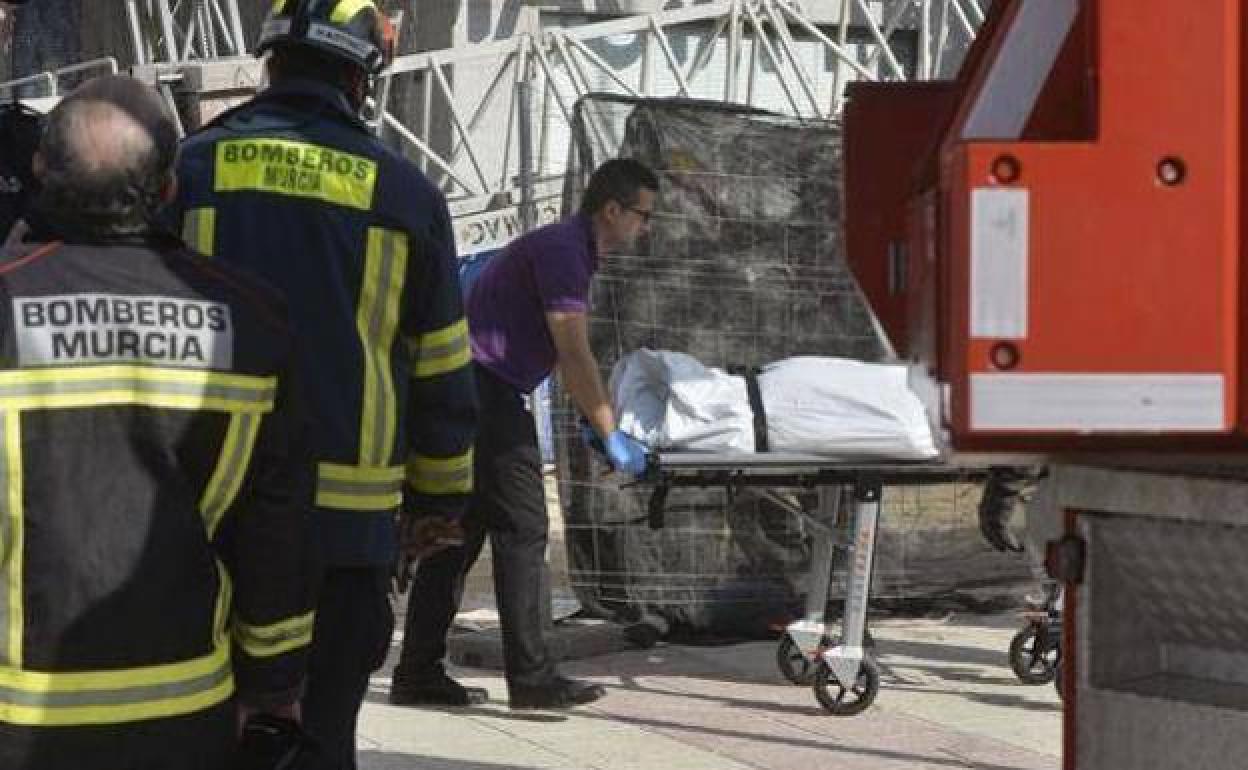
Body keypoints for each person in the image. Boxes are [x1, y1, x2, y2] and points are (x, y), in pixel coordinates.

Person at [166, 1, 478, 766]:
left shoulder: (192, 169)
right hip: (345, 538)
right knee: (320, 737)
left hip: (208, 522)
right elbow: (441, 368)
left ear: (269, 64)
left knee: (200, 738)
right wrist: (438, 504)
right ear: (360, 77)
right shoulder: (406, 195)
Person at [0, 74, 313, 770]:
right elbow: (275, 526)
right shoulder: (254, 321)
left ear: (40, 169)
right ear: (169, 189)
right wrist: (274, 684)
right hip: (185, 709)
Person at [392, 158, 657, 710]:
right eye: (642, 215)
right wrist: (610, 432)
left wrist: (590, 416)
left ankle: (417, 671)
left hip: (470, 388)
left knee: (455, 535)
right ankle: (533, 678)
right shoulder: (565, 252)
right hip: (485, 393)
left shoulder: (568, 248)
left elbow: (552, 348)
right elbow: (573, 350)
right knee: (526, 529)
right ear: (612, 209)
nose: (645, 227)